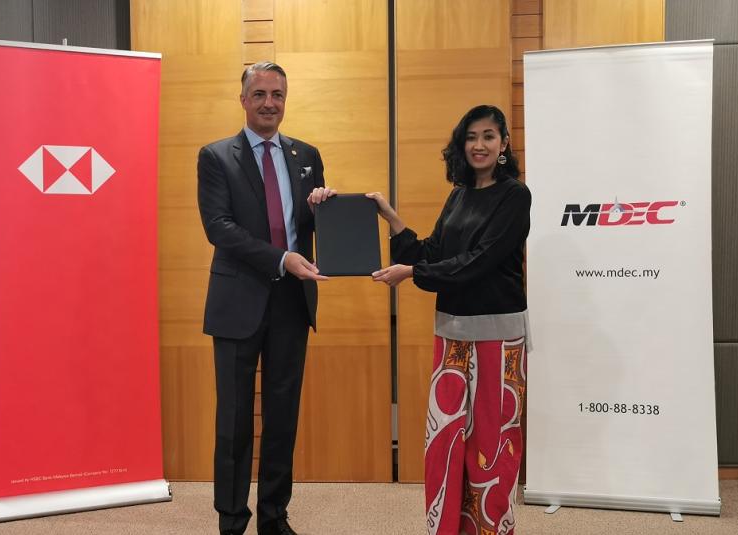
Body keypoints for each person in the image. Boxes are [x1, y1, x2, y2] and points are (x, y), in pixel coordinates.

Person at [367, 104, 531, 535]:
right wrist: (390, 216)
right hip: (452, 334)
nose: (479, 145)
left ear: (503, 145)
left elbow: (478, 263)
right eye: (471, 137)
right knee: (446, 445)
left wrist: (414, 274)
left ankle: (492, 528)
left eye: (489, 136)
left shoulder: (515, 195)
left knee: (491, 449)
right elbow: (433, 253)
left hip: (498, 339)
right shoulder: (458, 194)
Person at [197, 61, 335, 535]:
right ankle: (232, 522)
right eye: (259, 94)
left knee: (281, 419)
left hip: (292, 304)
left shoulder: (307, 155)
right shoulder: (216, 156)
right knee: (234, 421)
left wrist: (324, 210)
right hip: (238, 303)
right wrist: (281, 260)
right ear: (243, 100)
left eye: (277, 94)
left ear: (285, 99)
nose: (269, 103)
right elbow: (220, 228)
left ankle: (274, 518)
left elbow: (309, 229)